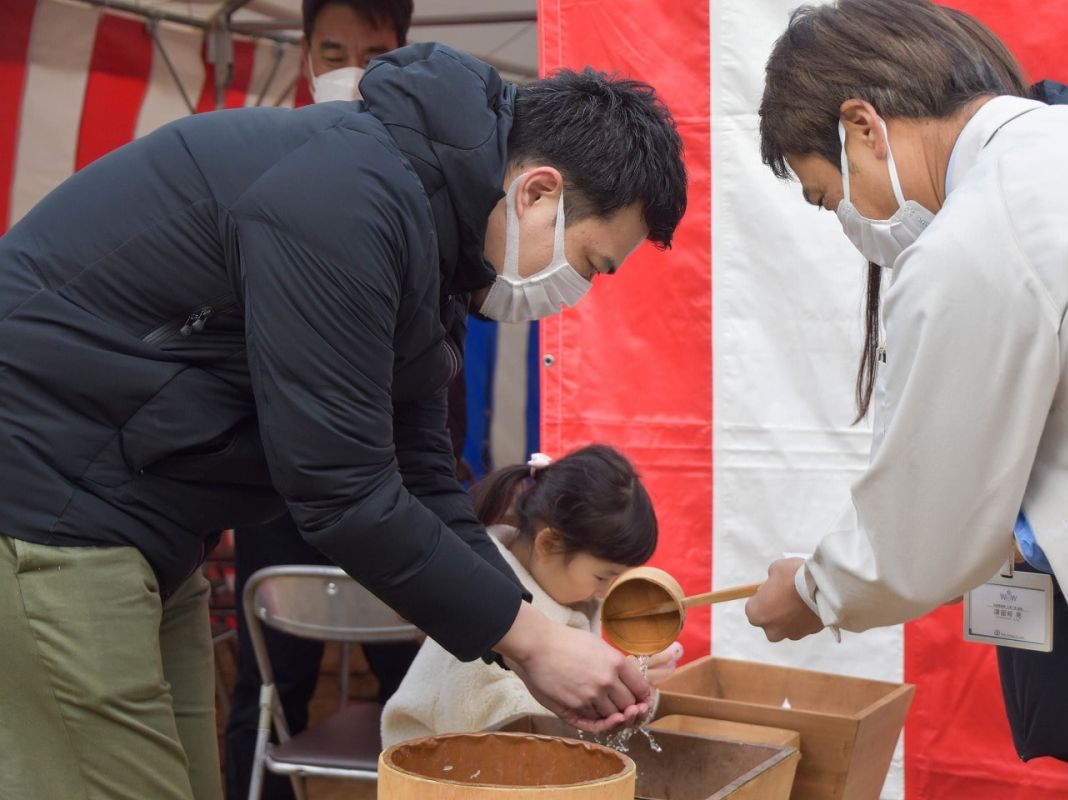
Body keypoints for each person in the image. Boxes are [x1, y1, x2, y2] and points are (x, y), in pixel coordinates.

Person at [0, 41, 688, 800]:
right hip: (50, 503)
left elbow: (422, 474)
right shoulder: (346, 198)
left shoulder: (434, 242)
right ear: (537, 193)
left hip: (143, 522)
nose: (577, 291)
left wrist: (541, 640)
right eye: (591, 263)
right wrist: (532, 641)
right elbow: (343, 491)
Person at [745, 0, 1068, 752]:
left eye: (831, 195)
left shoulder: (984, 229)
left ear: (862, 125)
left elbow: (925, 529)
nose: (850, 221)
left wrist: (812, 592)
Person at [221, 3, 418, 798]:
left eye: (372, 54)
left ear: (404, 54)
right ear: (303, 54)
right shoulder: (260, 161)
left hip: (390, 486)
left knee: (425, 690)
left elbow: (434, 384)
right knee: (268, 692)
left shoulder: (419, 176)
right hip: (278, 495)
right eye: (332, 52)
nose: (350, 71)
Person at [381, 445, 683, 745]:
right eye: (603, 577)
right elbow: (495, 729)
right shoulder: (482, 605)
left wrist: (629, 685)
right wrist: (609, 696)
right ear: (549, 544)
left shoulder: (566, 591)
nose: (608, 591)